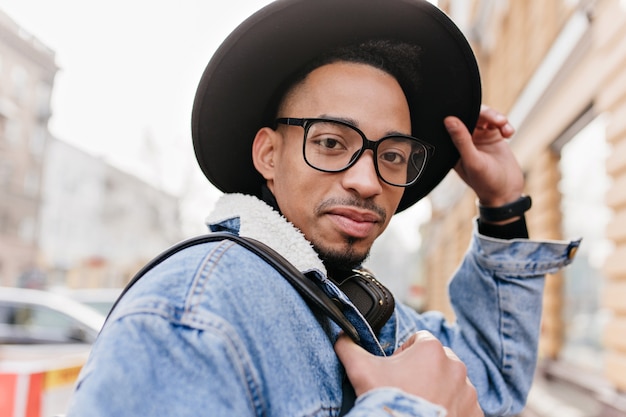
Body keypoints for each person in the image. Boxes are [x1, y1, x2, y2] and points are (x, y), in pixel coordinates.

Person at [66, 1, 580, 416]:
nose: (367, 180)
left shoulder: (362, 310)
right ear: (269, 153)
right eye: (332, 143)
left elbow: (492, 379)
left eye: (393, 155)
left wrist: (502, 204)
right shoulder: (192, 317)